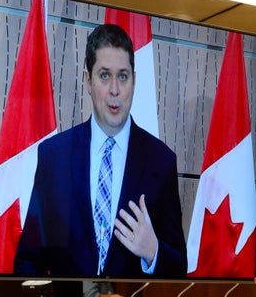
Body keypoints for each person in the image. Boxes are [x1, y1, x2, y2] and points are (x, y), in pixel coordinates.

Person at [14, 23, 187, 278]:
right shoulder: (55, 158)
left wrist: (153, 252)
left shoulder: (160, 162)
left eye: (123, 76)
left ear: (134, 81)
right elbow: (28, 261)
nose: (114, 90)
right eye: (105, 76)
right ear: (88, 80)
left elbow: (178, 268)